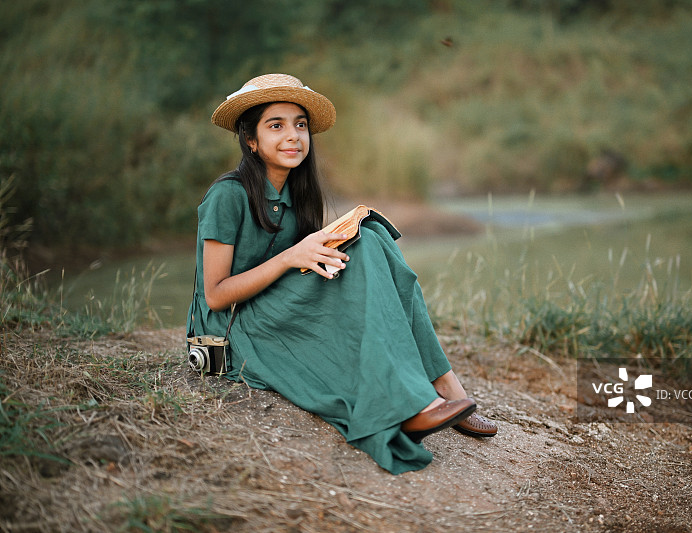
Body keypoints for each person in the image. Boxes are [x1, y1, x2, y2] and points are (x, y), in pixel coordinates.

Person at [187, 74, 497, 474]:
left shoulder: (298, 194)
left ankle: (445, 387)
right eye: (275, 125)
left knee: (371, 237)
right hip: (231, 327)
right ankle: (415, 401)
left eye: (300, 125)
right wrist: (289, 258)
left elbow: (303, 262)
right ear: (251, 140)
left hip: (273, 303)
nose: (293, 136)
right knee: (365, 243)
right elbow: (214, 295)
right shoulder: (226, 195)